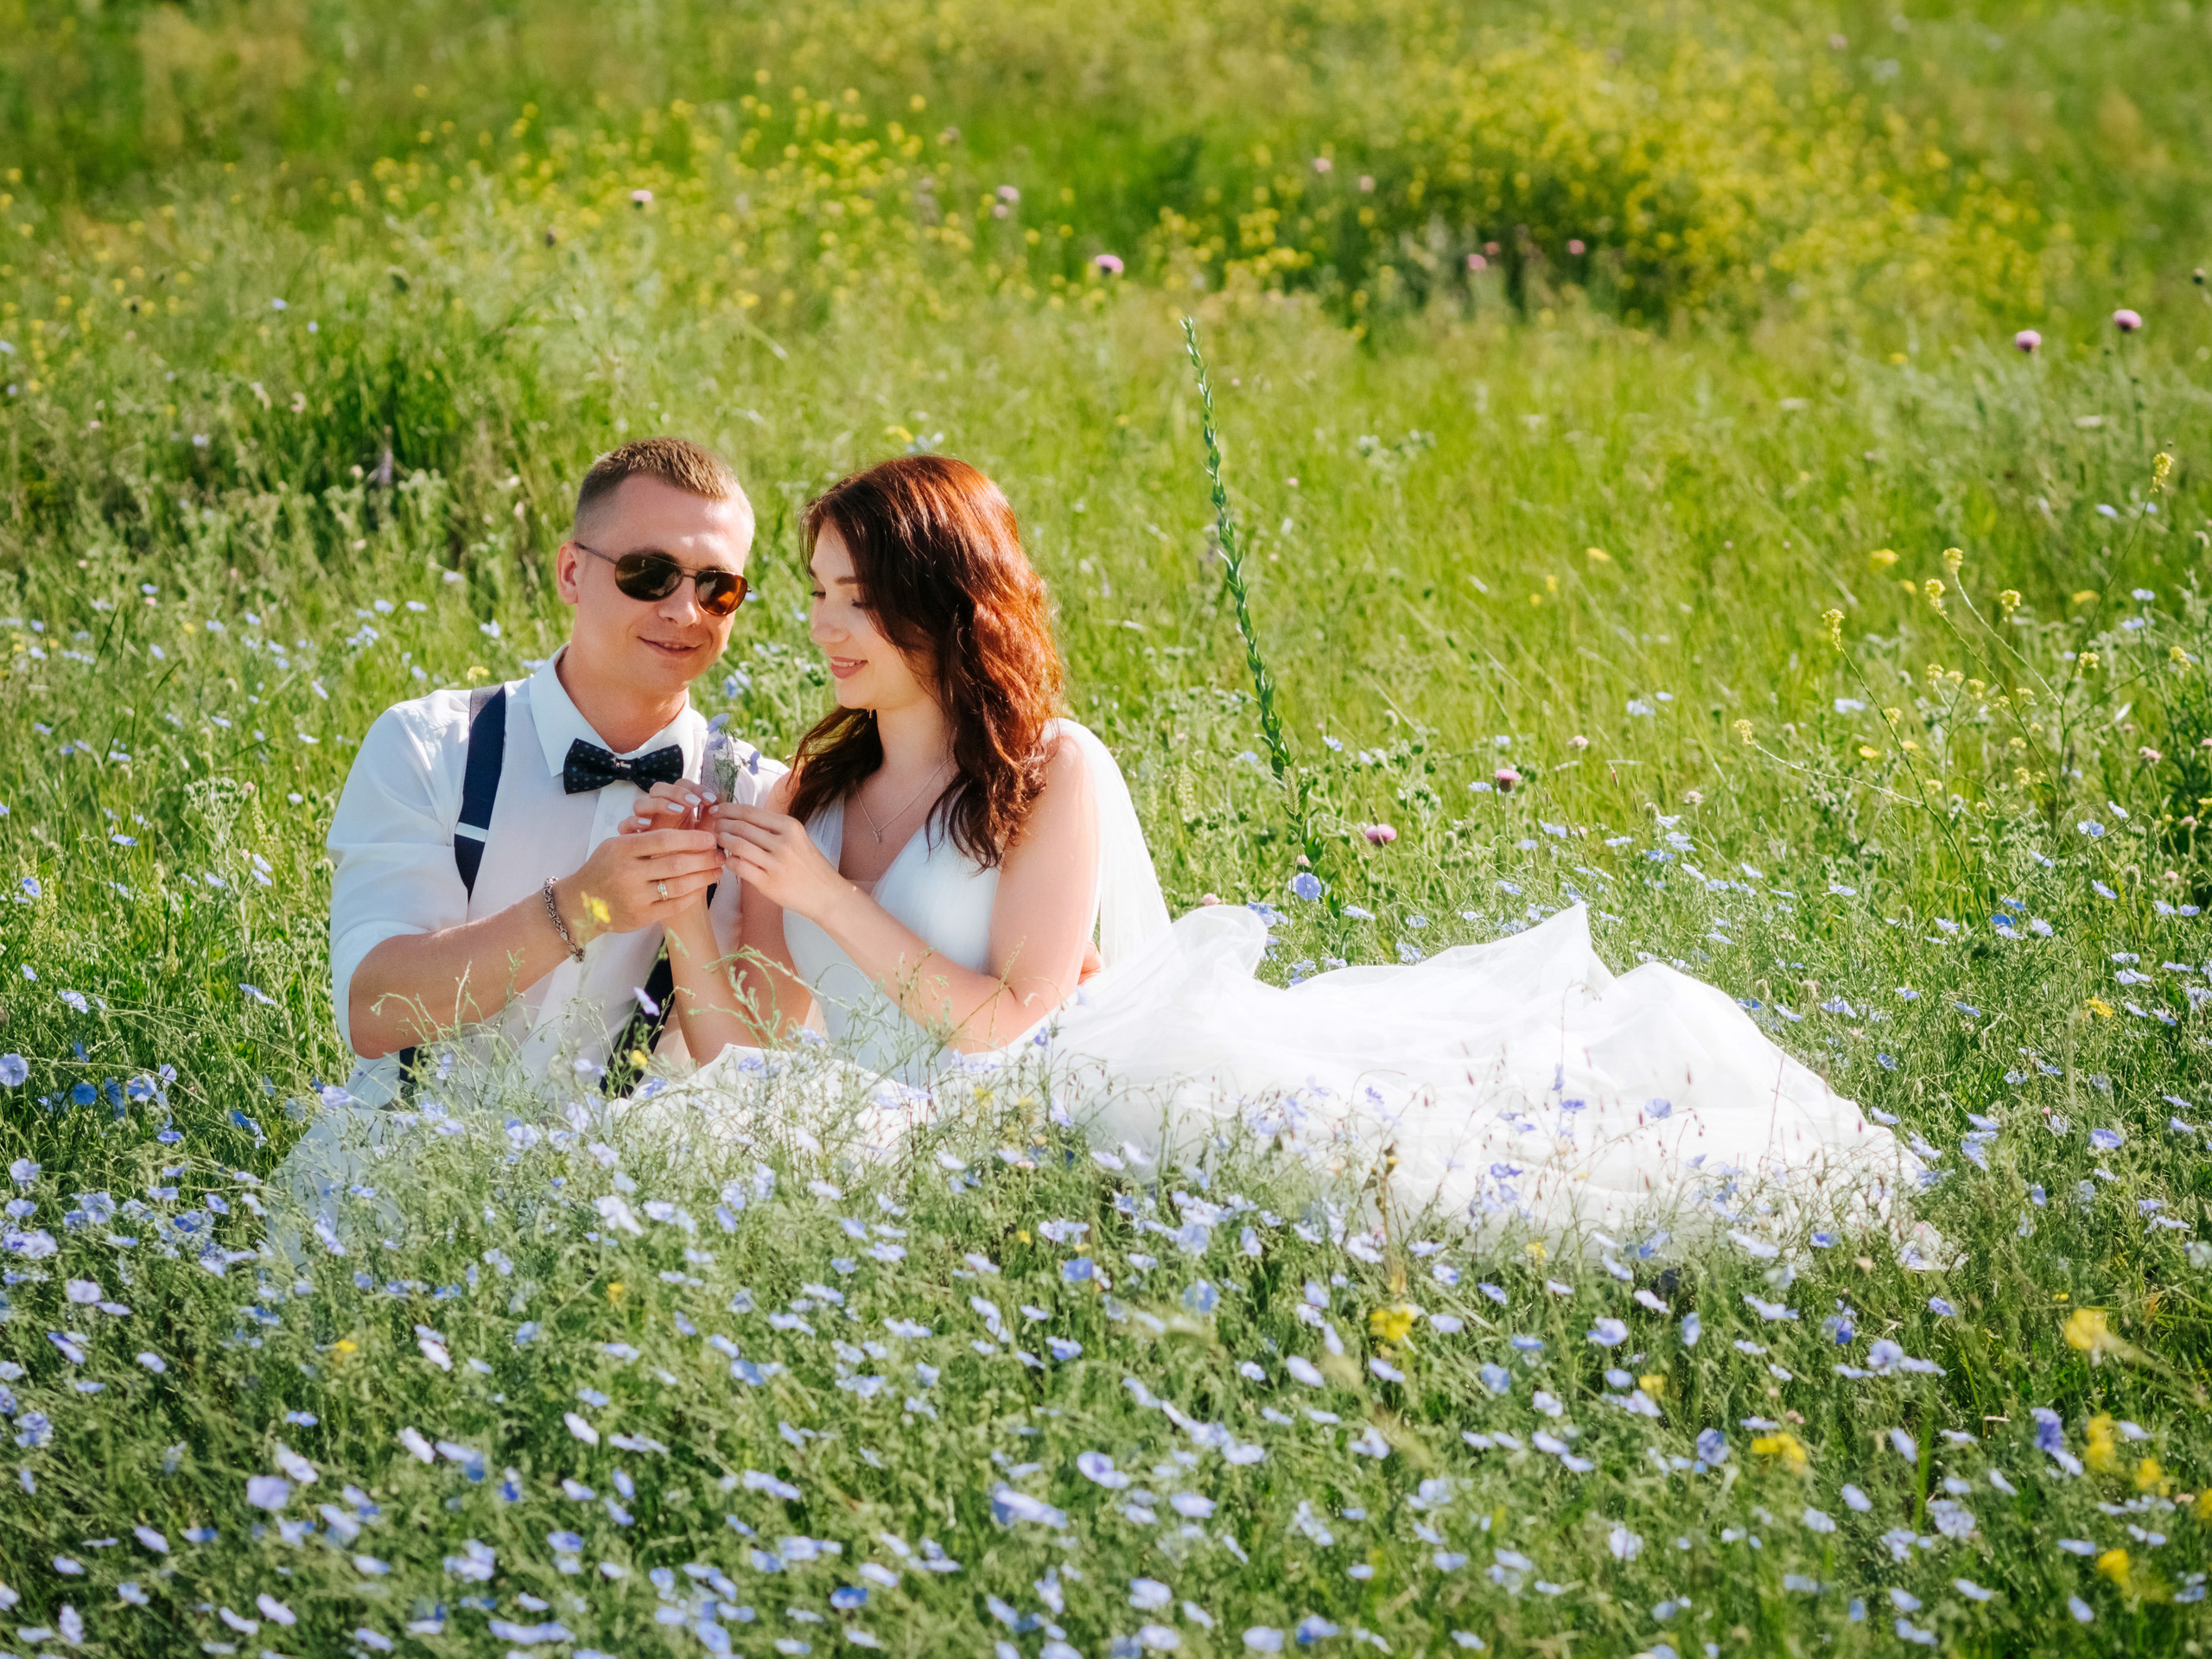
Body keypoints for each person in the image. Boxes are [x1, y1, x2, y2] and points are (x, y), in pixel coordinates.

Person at [625, 454, 1921, 1243]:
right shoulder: (811, 785)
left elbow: (1009, 1022)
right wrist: (694, 915)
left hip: (1011, 1109)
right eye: (819, 595)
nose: (829, 629)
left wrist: (828, 905)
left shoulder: (1049, 774)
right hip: (864, 1126)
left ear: (945, 606)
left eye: (863, 599)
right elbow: (758, 1056)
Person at [322, 436, 782, 1107]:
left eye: (718, 587)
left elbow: (759, 1078)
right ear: (571, 573)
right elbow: (372, 1011)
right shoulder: (433, 746)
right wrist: (581, 906)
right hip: (396, 1177)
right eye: (649, 573)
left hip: (629, 1200)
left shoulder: (755, 800)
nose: (686, 611)